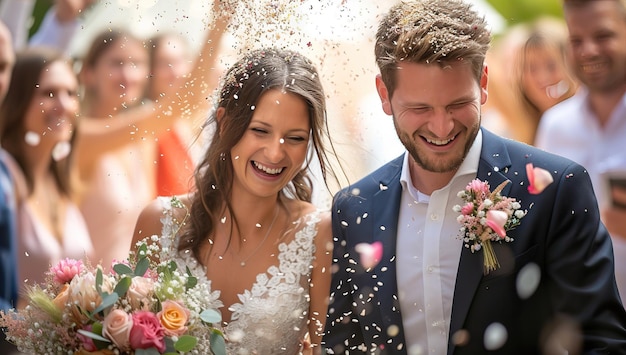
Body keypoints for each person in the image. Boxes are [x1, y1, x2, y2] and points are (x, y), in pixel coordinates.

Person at [322, 0, 626, 354]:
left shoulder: (557, 188)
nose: (442, 126)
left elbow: (601, 342)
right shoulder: (353, 207)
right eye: (420, 108)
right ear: (384, 94)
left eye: (456, 104)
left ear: (482, 83)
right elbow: (344, 344)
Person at [131, 47, 341, 354]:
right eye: (260, 130)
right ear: (226, 123)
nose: (275, 153)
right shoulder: (158, 220)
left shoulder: (319, 233)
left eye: (295, 138)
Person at [75, 2, 229, 270]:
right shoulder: (82, 137)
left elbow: (192, 100)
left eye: (135, 63)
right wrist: (219, 22)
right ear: (88, 73)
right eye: (117, 63)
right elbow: (183, 102)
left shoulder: (142, 140)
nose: (128, 73)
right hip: (83, 299)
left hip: (131, 296)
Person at [535, 0, 626, 304]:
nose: (588, 50)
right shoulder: (555, 126)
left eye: (603, 36)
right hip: (582, 324)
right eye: (576, 40)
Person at [0, 46, 94, 308]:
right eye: (49, 93)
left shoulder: (62, 182)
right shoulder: (5, 176)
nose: (63, 105)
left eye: (71, 93)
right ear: (18, 98)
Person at [514, 17, 578, 145]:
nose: (543, 77)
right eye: (532, 68)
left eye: (551, 65)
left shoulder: (587, 121)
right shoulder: (518, 129)